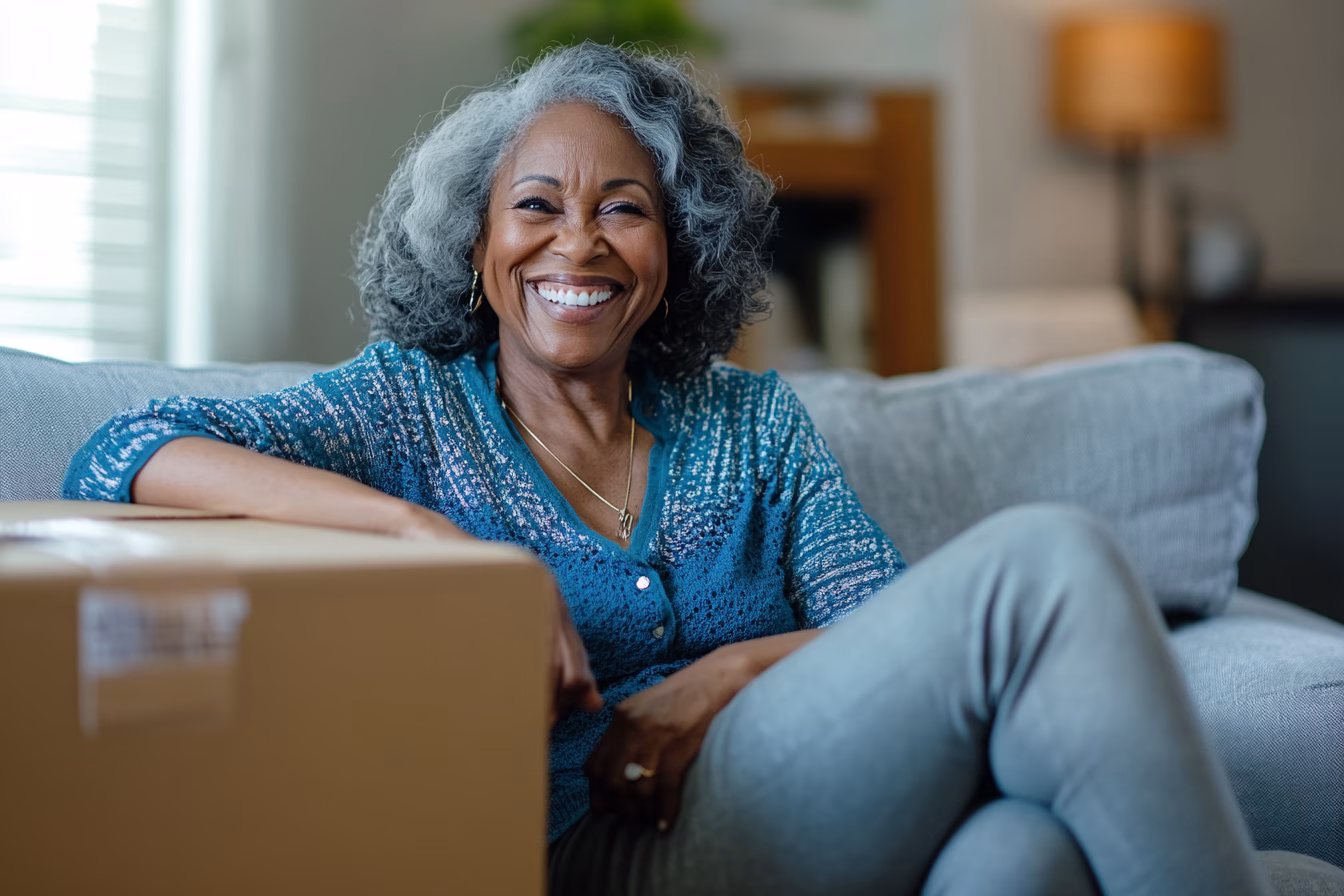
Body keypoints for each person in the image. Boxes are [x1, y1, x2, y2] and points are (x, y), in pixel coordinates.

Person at [64, 43, 1271, 896]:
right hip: (590, 839)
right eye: (534, 204)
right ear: (477, 244)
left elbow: (890, 626)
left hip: (783, 799)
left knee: (1020, 861)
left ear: (676, 248)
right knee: (1048, 556)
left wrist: (715, 677)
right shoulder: (409, 405)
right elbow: (120, 454)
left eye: (624, 208)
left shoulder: (751, 422)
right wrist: (443, 547)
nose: (576, 241)